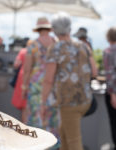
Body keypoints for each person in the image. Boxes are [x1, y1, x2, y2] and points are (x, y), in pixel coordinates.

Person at [41, 12, 97, 150]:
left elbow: (48, 80)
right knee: (65, 134)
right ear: (69, 28)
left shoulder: (55, 49)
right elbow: (94, 72)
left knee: (74, 142)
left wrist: (43, 103)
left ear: (54, 29)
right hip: (85, 100)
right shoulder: (83, 46)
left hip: (68, 101)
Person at [23, 17, 61, 149]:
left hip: (36, 86)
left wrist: (23, 87)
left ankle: (37, 146)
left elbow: (27, 69)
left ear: (38, 29)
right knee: (52, 118)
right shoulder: (56, 43)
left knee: (35, 116)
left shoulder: (32, 45)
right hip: (53, 85)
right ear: (49, 28)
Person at [11, 40, 31, 122]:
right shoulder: (37, 51)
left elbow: (16, 64)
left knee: (24, 106)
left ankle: (25, 127)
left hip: (23, 78)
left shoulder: (23, 51)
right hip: (34, 78)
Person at [104, 27, 116, 150]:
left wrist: (113, 94)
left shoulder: (108, 52)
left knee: (113, 121)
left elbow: (110, 75)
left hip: (113, 92)